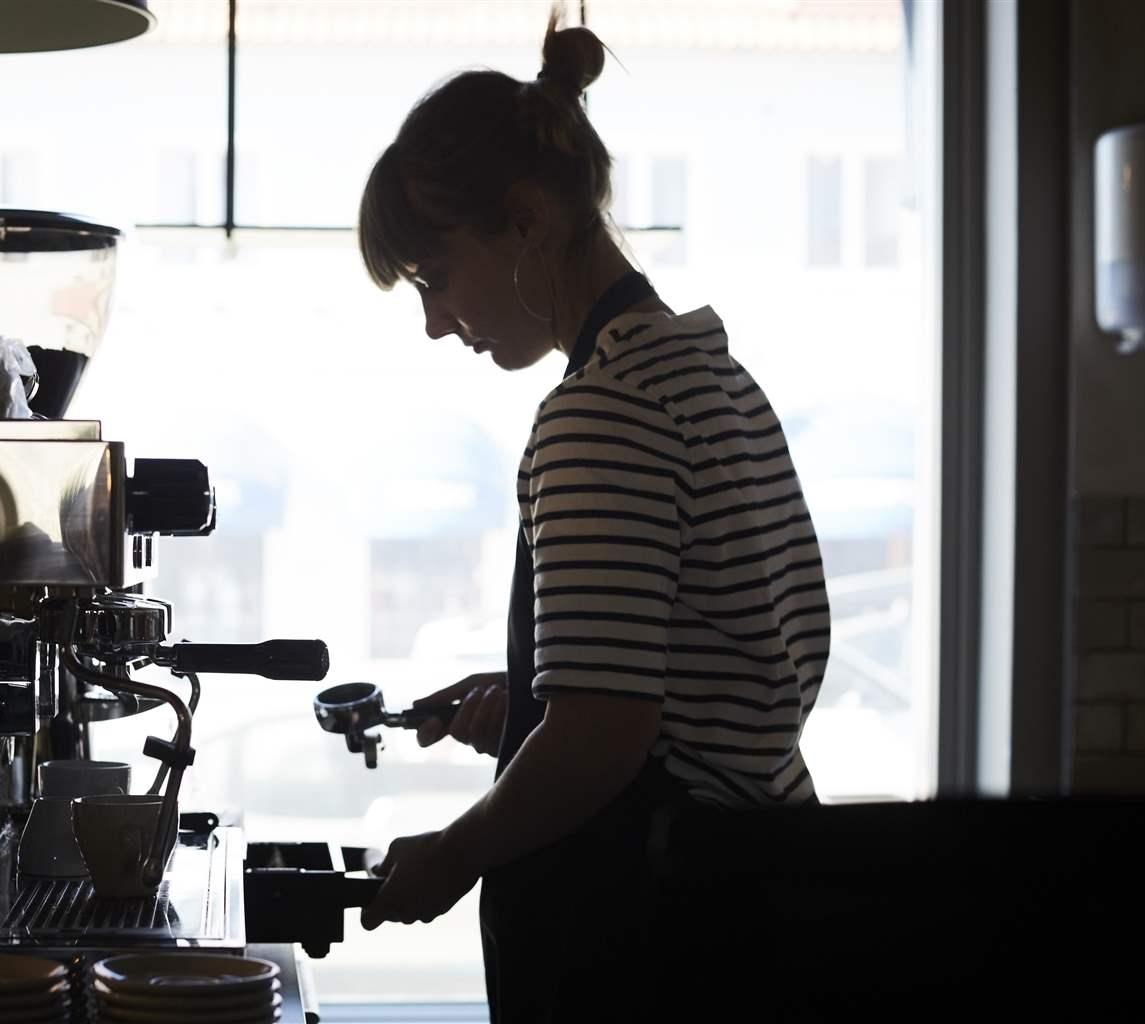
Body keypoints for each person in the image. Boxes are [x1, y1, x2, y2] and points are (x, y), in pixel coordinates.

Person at [353, 11, 831, 1021]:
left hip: (656, 935)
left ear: (526, 221)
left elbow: (604, 733)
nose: (438, 321)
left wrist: (452, 853)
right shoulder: (710, 376)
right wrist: (529, 688)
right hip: (758, 898)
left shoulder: (599, 413)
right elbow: (699, 668)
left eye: (436, 277)